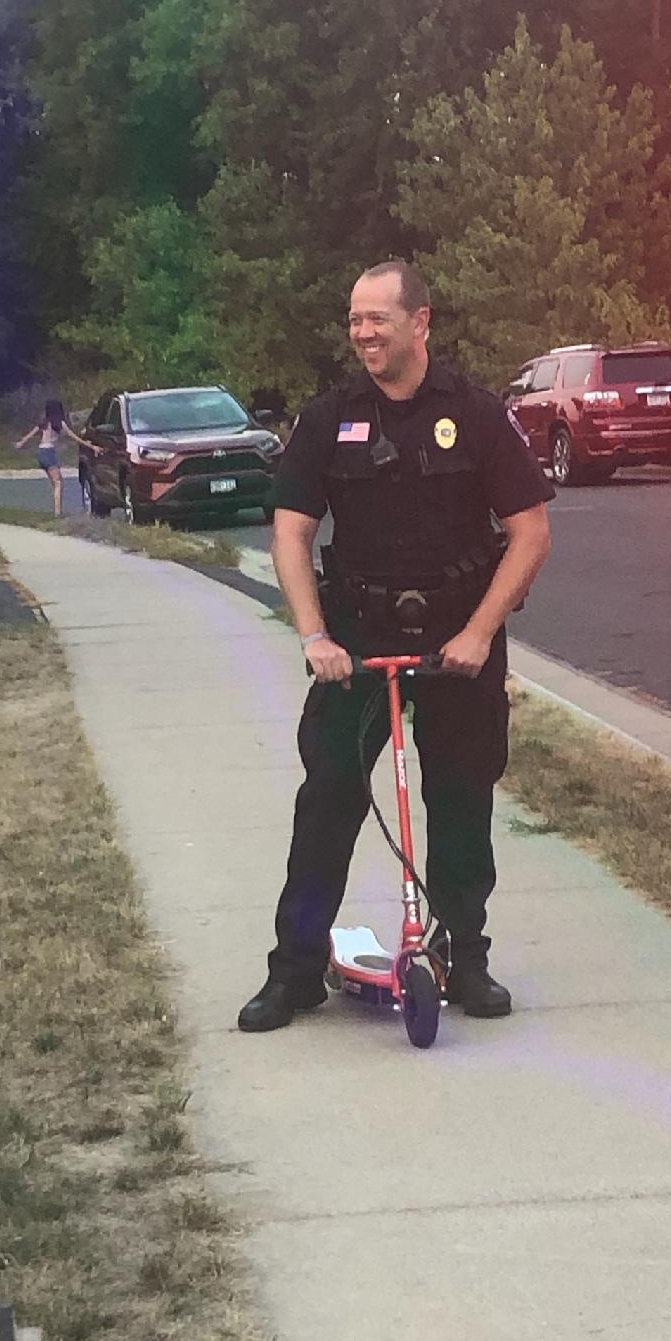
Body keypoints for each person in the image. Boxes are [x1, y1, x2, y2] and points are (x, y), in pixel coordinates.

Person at [238, 260, 553, 1033]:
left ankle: (462, 957)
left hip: (459, 642)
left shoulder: (476, 416)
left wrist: (479, 633)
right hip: (357, 636)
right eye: (354, 319)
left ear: (421, 322)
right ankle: (296, 970)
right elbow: (291, 531)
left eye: (377, 318)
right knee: (329, 803)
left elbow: (530, 532)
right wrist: (314, 634)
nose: (362, 333)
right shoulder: (326, 419)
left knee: (460, 800)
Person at [15, 399, 97, 517]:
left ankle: (57, 511)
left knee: (55, 483)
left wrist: (20, 443)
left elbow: (30, 434)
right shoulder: (60, 424)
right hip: (49, 452)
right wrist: (91, 446)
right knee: (58, 482)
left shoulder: (44, 422)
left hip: (41, 452)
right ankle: (57, 513)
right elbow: (75, 437)